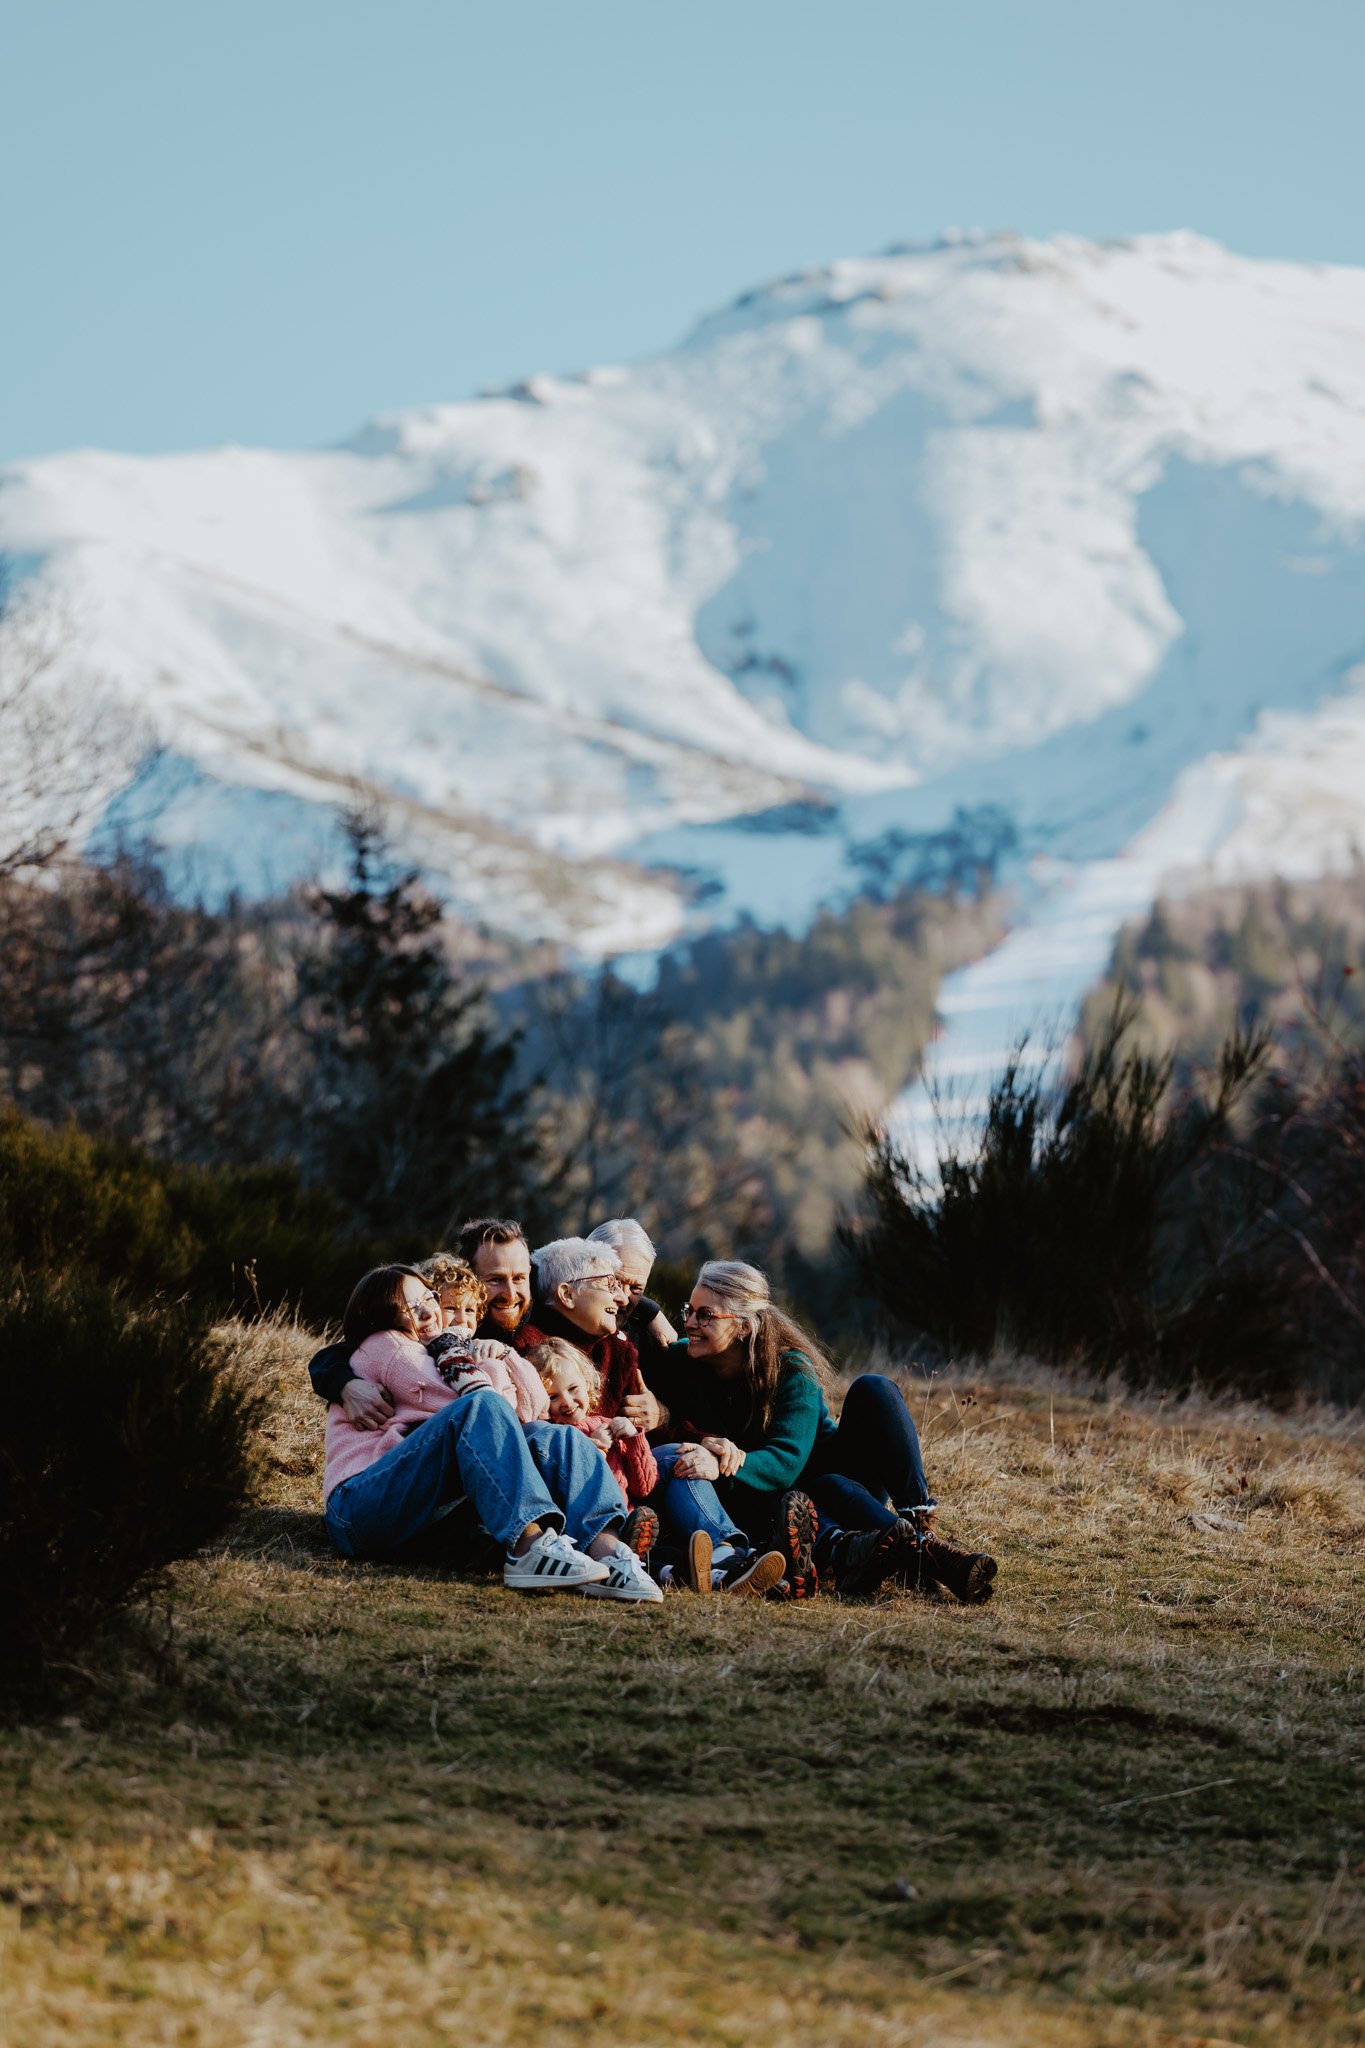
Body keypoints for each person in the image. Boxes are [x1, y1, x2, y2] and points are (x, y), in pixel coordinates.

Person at [646, 1260, 998, 1603]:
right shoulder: (684, 1362)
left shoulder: (790, 1368)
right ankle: (919, 1556)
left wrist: (727, 1463)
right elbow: (627, 1356)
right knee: (785, 1494)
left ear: (743, 1326)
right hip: (776, 1505)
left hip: (835, 1487)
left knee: (874, 1390)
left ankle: (917, 1523)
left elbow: (785, 1461)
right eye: (687, 1311)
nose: (690, 1322)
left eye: (705, 1315)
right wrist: (648, 1311)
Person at [322, 1264, 662, 1604]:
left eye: (428, 1297)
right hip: (358, 1506)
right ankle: (529, 1547)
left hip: (408, 1506)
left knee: (560, 1437)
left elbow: (533, 1408)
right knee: (482, 1404)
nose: (428, 1310)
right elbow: (481, 1405)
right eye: (411, 1307)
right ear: (383, 1314)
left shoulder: (442, 1350)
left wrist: (503, 1353)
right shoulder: (389, 1345)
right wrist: (490, 1365)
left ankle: (608, 1553)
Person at [522, 1239, 783, 1597]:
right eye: (609, 1284)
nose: (620, 1298)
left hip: (627, 1473)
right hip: (572, 1480)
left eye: (623, 1287)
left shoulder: (620, 1348)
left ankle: (727, 1554)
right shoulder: (529, 1346)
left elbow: (651, 1426)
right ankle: (664, 1564)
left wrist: (700, 1439)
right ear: (567, 1294)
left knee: (681, 1455)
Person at [529, 1335, 659, 1507]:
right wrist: (594, 1449)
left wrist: (634, 1438)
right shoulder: (549, 1437)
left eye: (573, 1388)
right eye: (553, 1397)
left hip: (625, 1514)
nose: (567, 1402)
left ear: (587, 1384)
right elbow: (566, 1488)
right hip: (585, 1523)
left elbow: (644, 1487)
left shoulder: (608, 1426)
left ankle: (637, 1530)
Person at [585, 1218, 678, 1382]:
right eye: (615, 1282)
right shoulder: (549, 1324)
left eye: (636, 1288)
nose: (624, 1299)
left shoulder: (649, 1342)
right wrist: (650, 1310)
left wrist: (660, 1408)